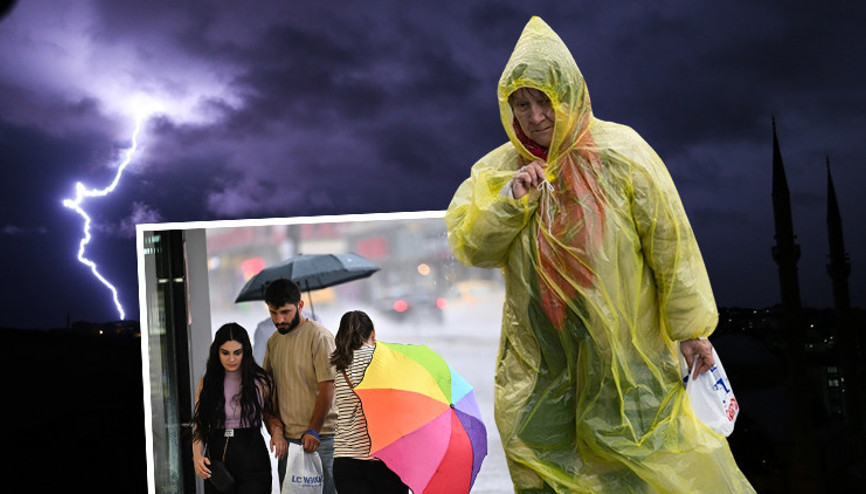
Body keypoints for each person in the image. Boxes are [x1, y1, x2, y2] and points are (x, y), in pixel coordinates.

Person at [445, 16, 755, 493]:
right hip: (543, 362)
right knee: (546, 468)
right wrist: (510, 202)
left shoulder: (622, 153)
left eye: (544, 100)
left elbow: (670, 245)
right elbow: (470, 244)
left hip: (627, 358)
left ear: (569, 93)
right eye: (521, 104)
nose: (534, 117)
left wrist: (691, 331)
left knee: (644, 464)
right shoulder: (500, 169)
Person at [262, 278, 338, 494]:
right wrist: (273, 426)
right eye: (273, 313)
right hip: (288, 442)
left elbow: (328, 387)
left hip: (322, 438)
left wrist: (314, 429)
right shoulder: (273, 342)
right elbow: (267, 390)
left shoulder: (319, 336)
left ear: (300, 306)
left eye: (285, 312)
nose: (280, 319)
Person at [192, 322, 279, 494]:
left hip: (252, 454)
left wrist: (277, 433)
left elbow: (271, 415)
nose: (231, 359)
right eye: (225, 353)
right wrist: (196, 457)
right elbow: (200, 424)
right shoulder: (207, 382)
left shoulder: (261, 381)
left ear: (245, 352)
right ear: (217, 352)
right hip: (217, 456)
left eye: (237, 353)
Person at [329, 310, 410, 493]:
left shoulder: (335, 364)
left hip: (346, 460)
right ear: (372, 333)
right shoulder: (387, 358)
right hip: (387, 459)